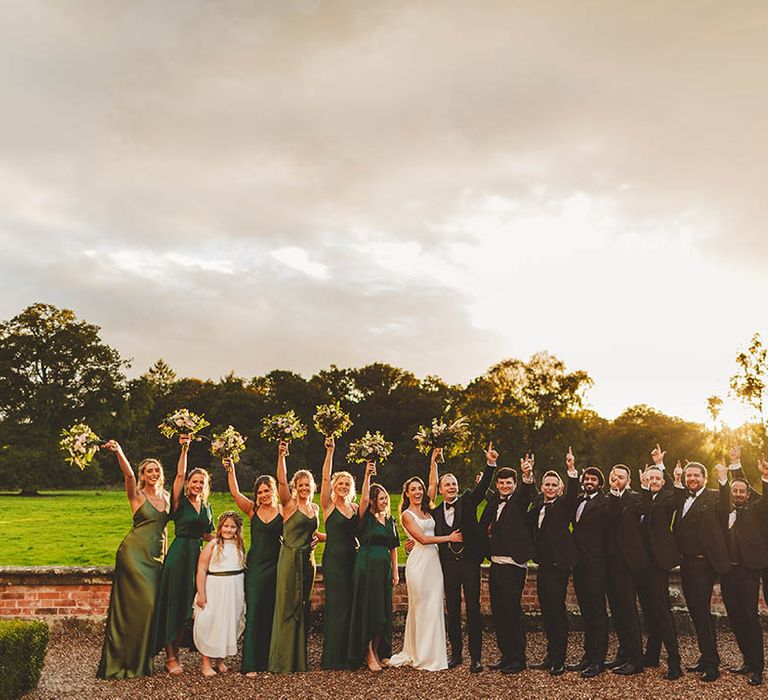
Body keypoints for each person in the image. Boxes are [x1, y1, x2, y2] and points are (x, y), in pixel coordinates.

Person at [96, 441, 169, 679]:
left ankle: (141, 661)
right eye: (149, 471)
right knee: (140, 607)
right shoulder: (136, 495)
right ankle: (124, 661)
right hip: (133, 556)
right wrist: (118, 451)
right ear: (143, 475)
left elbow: (164, 529)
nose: (154, 474)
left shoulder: (167, 497)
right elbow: (127, 474)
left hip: (156, 558)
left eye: (156, 470)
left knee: (150, 609)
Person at [428, 442, 496, 673]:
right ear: (440, 490)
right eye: (447, 485)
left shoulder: (468, 501)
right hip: (448, 566)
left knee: (474, 610)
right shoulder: (436, 513)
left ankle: (476, 657)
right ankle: (456, 654)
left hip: (469, 564)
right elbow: (424, 532)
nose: (452, 487)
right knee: (453, 611)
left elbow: (482, 488)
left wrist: (490, 465)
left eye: (454, 484)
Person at [152, 434, 213, 674]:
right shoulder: (180, 502)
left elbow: (209, 534)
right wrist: (185, 449)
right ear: (188, 483)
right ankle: (170, 657)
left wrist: (231, 542)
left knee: (188, 606)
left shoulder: (207, 506)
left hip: (197, 557)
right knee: (174, 604)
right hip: (179, 555)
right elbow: (178, 475)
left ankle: (178, 650)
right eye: (194, 481)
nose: (197, 485)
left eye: (201, 483)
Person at [388, 476, 461, 671]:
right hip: (419, 564)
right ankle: (420, 654)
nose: (418, 492)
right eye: (413, 489)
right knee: (420, 607)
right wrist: (450, 538)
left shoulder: (429, 510)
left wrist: (434, 458)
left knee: (434, 606)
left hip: (434, 564)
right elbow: (422, 539)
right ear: (407, 493)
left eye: (420, 488)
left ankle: (434, 654)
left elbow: (432, 484)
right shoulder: (406, 515)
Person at [672, 460, 730, 682]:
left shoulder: (715, 497)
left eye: (696, 475)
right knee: (696, 613)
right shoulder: (683, 498)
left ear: (705, 478)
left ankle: (712, 664)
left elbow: (726, 508)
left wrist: (724, 478)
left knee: (702, 613)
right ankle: (705, 657)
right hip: (686, 564)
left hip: (703, 565)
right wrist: (672, 475)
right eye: (689, 476)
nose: (692, 479)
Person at [478, 453, 536, 675]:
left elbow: (527, 490)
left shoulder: (519, 501)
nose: (504, 486)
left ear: (514, 484)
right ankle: (506, 654)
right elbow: (485, 493)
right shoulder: (495, 500)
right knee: (499, 612)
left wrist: (527, 474)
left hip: (514, 565)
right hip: (495, 564)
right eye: (501, 483)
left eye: (508, 483)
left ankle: (518, 659)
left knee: (512, 612)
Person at [225, 459, 282, 676]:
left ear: (273, 491)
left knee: (270, 612)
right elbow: (235, 493)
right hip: (257, 566)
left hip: (276, 565)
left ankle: (268, 660)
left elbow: (298, 530)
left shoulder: (283, 510)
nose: (263, 495)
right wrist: (230, 467)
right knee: (255, 611)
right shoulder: (252, 510)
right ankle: (250, 664)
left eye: (267, 490)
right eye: (259, 492)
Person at [267, 441, 319, 673]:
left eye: (308, 484)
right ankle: (282, 661)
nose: (305, 488)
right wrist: (281, 455)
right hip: (289, 560)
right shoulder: (288, 504)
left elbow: (313, 533)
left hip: (308, 562)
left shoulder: (315, 509)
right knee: (287, 605)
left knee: (302, 607)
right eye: (301, 485)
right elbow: (280, 479)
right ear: (295, 487)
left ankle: (299, 660)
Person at [527, 448, 579, 676]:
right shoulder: (537, 506)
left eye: (553, 485)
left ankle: (560, 659)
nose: (549, 488)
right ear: (542, 487)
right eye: (546, 484)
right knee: (546, 611)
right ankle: (550, 654)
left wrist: (570, 469)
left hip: (559, 566)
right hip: (543, 566)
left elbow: (573, 492)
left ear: (560, 488)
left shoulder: (564, 505)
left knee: (557, 611)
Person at [717, 456, 768, 686]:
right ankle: (747, 660)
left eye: (741, 491)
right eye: (734, 490)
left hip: (748, 572)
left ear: (748, 495)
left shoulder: (755, 511)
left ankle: (758, 667)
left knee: (749, 618)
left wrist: (765, 477)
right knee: (735, 619)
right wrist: (723, 479)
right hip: (727, 573)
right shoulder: (723, 511)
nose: (737, 493)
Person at [347, 461, 400, 670]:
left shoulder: (389, 520)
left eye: (386, 498)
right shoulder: (365, 517)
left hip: (384, 567)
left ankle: (378, 651)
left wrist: (395, 570)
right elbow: (363, 499)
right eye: (381, 498)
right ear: (373, 500)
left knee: (382, 611)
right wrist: (368, 474)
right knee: (368, 608)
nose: (385, 501)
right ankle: (368, 653)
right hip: (366, 566)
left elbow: (394, 546)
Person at [636, 457, 682, 681]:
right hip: (640, 563)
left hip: (657, 563)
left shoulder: (667, 498)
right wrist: (644, 486)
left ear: (663, 482)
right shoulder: (640, 497)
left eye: (657, 478)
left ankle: (675, 661)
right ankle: (652, 655)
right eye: (650, 478)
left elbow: (676, 500)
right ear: (644, 479)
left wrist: (665, 469)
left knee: (661, 610)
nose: (653, 481)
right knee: (649, 611)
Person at [604, 464, 647, 676]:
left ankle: (635, 659)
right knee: (618, 612)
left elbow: (633, 516)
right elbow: (610, 518)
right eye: (614, 476)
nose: (617, 480)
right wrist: (613, 492)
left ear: (628, 480)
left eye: (621, 477)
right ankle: (623, 654)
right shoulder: (609, 498)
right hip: (610, 563)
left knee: (628, 612)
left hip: (627, 564)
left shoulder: (636, 498)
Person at [319, 437, 358, 670]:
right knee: (336, 606)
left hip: (353, 559)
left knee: (351, 606)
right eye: (340, 483)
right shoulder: (328, 505)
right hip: (334, 561)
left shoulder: (354, 508)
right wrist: (330, 452)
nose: (343, 486)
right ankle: (332, 657)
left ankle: (349, 655)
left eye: (347, 484)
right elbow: (324, 476)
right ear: (334, 485)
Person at [192, 511, 246, 677]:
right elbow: (201, 569)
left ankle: (220, 660)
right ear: (220, 527)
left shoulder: (239, 545)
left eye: (232, 527)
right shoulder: (213, 545)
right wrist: (201, 593)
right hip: (215, 588)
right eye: (226, 526)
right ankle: (206, 663)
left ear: (237, 529)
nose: (229, 530)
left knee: (228, 622)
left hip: (234, 588)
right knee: (211, 622)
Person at [568, 466, 609, 678]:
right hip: (580, 566)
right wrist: (573, 474)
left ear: (600, 484)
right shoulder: (577, 500)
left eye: (594, 479)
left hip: (596, 565)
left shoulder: (605, 503)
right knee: (586, 613)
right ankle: (587, 656)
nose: (590, 481)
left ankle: (597, 661)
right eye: (587, 478)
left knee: (598, 613)